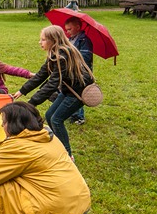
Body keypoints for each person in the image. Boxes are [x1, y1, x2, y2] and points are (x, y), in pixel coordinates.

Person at [12, 26, 95, 160]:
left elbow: (52, 84)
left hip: (78, 93)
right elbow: (41, 75)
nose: (40, 42)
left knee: (56, 120)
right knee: (49, 115)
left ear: (53, 40)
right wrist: (22, 90)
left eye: (43, 39)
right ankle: (58, 146)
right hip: (68, 91)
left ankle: (67, 155)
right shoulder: (54, 54)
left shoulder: (62, 56)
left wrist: (32, 103)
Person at [64, 17, 94, 125]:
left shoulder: (85, 41)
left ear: (77, 27)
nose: (67, 32)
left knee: (79, 92)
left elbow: (86, 57)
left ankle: (79, 116)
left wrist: (71, 57)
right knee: (71, 91)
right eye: (66, 30)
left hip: (82, 72)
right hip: (71, 70)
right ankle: (72, 113)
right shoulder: (70, 39)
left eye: (70, 29)